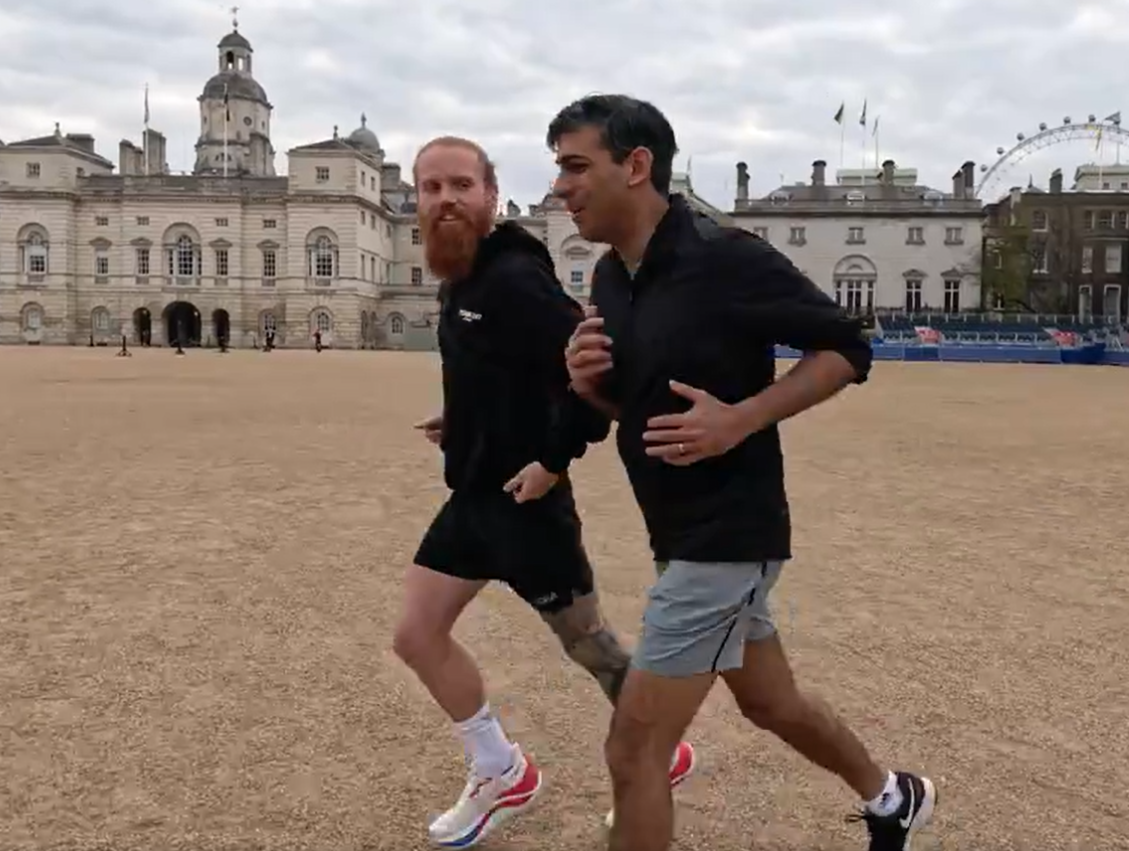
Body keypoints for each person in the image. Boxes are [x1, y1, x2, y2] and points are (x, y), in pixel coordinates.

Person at [551, 94, 936, 851]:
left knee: (634, 751)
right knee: (772, 701)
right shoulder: (608, 278)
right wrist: (588, 380)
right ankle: (895, 796)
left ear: (636, 166)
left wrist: (742, 417)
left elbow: (845, 349)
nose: (560, 187)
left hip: (726, 539)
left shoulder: (724, 257)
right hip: (679, 531)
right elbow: (631, 405)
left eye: (574, 166)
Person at [392, 135, 696, 849]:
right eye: (430, 188)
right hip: (472, 500)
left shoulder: (512, 280)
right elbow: (497, 366)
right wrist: (462, 416)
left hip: (529, 509)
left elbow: (598, 366)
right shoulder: (458, 275)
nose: (445, 200)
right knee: (417, 634)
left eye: (461, 184)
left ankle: (662, 754)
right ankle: (500, 769)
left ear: (491, 195)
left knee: (595, 652)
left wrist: (555, 460)